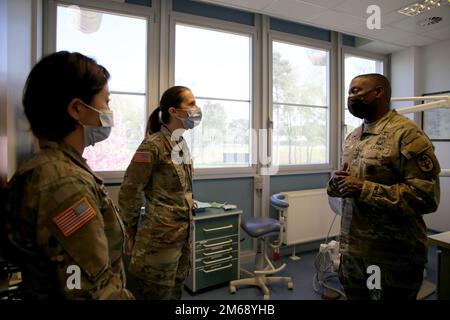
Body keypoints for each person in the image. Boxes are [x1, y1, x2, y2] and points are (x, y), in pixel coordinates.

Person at [1, 51, 133, 299]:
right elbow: (89, 290)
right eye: (106, 101)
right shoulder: (64, 184)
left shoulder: (52, 168)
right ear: (76, 109)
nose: (109, 111)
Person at [327, 73, 441, 300]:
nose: (350, 97)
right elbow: (347, 184)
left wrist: (364, 189)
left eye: (356, 91)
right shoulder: (354, 137)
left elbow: (427, 196)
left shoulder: (407, 135)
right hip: (353, 252)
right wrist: (336, 184)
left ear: (379, 92)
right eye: (349, 92)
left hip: (390, 258)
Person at [118, 86, 201, 300]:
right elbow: (130, 190)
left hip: (181, 237)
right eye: (191, 103)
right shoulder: (152, 145)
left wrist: (187, 203)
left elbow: (178, 187)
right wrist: (131, 232)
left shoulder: (180, 143)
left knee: (175, 293)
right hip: (159, 241)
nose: (197, 108)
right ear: (173, 111)